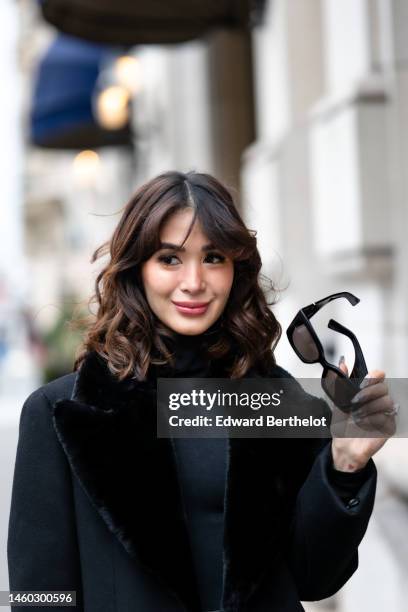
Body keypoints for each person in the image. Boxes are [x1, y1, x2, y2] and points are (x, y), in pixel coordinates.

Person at [7, 171, 396, 612]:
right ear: (137, 269)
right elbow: (37, 596)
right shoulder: (57, 411)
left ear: (236, 270)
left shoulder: (281, 401)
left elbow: (313, 577)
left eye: (213, 258)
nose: (193, 282)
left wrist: (345, 464)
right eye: (170, 259)